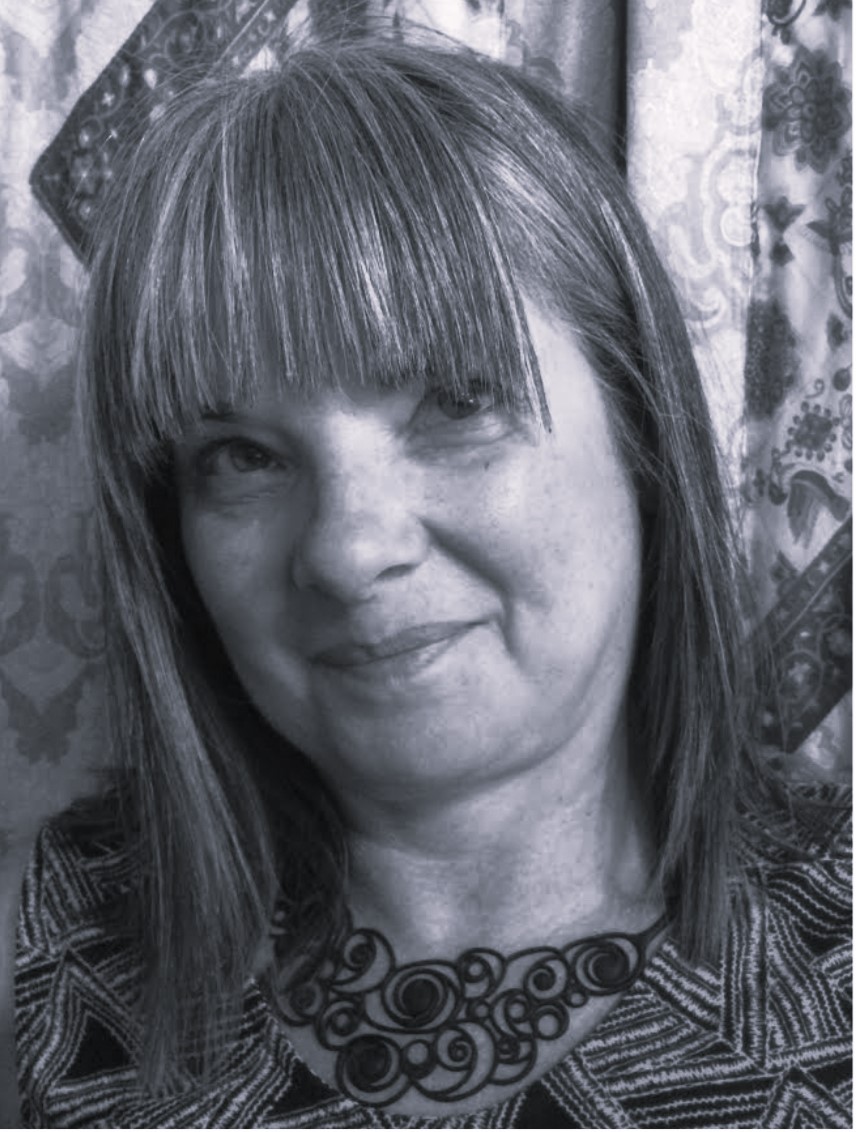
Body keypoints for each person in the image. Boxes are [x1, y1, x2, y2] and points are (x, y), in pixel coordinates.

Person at [15, 35, 850, 1129]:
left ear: (641, 428)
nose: (347, 549)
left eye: (455, 403)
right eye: (244, 457)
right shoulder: (39, 954)